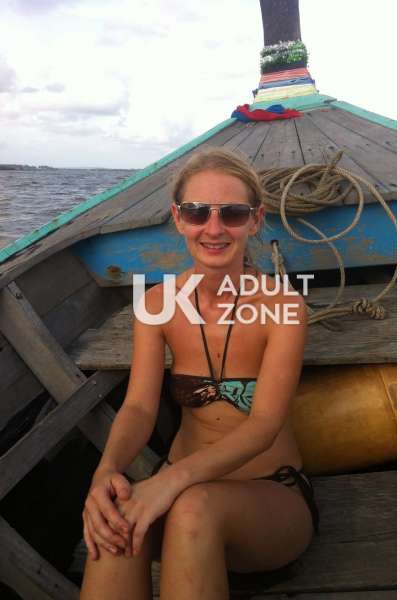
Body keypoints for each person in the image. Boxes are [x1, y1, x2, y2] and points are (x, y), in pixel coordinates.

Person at [80, 148, 319, 600]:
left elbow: (264, 424)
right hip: (177, 482)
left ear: (255, 220)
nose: (213, 228)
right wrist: (106, 471)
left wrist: (168, 483)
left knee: (193, 508)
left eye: (232, 213)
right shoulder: (156, 305)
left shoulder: (284, 307)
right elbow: (138, 406)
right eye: (196, 212)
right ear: (178, 218)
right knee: (113, 520)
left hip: (269, 494)